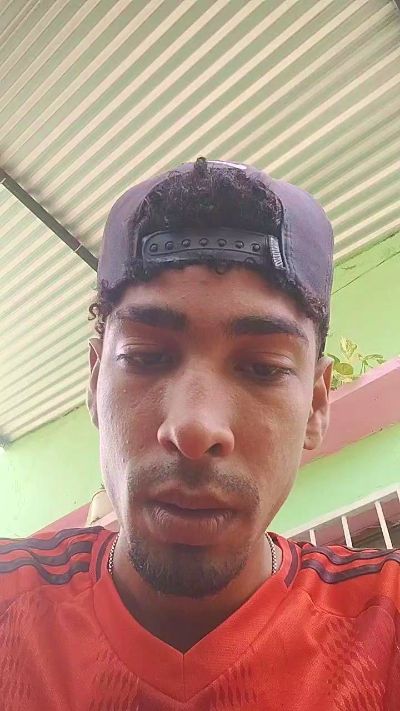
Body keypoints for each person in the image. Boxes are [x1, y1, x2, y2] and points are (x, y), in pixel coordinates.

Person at [0, 158, 399, 710]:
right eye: (145, 356)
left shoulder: (385, 631)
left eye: (262, 368)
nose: (193, 428)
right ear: (95, 382)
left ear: (315, 405)